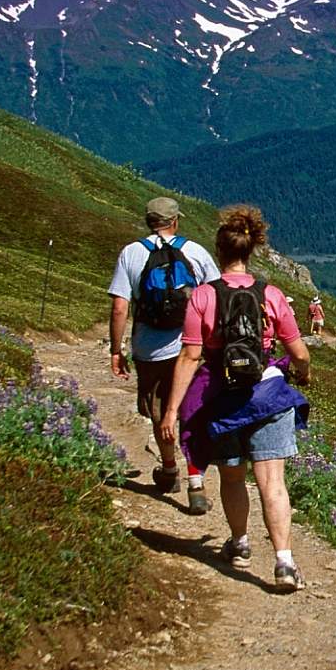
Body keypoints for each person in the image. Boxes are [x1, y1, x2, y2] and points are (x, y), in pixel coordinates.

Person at [159, 205, 314, 593]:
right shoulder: (272, 295)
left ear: (219, 251)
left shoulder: (202, 297)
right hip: (268, 396)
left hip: (222, 399)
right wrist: (304, 375)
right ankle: (284, 563)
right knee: (272, 482)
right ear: (252, 250)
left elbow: (191, 355)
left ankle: (240, 543)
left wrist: (172, 410)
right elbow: (299, 352)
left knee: (232, 475)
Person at [109, 196, 221, 512]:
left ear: (148, 221)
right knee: (189, 409)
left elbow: (120, 307)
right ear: (175, 221)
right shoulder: (195, 252)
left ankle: (169, 468)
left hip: (149, 348)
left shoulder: (131, 253)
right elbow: (216, 296)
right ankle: (196, 483)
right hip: (191, 344)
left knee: (160, 409)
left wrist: (117, 350)